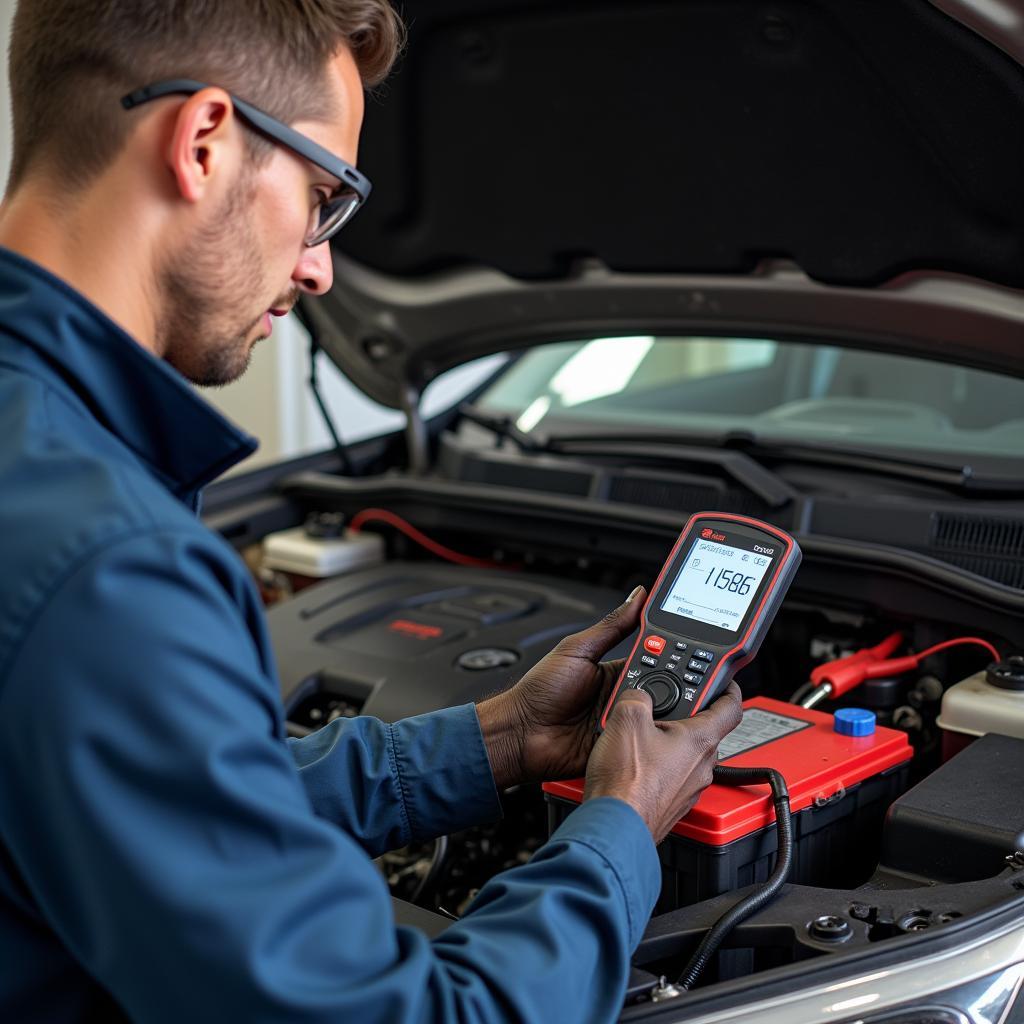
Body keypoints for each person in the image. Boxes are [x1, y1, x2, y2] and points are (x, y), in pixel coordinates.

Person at [0, 2, 743, 1021]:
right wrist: (617, 829)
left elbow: (152, 810)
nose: (318, 266)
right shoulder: (107, 567)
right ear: (204, 142)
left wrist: (497, 740)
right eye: (321, 194)